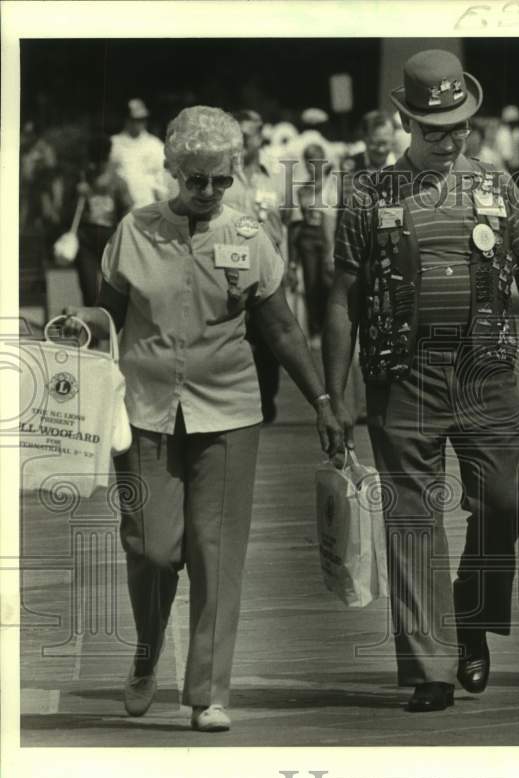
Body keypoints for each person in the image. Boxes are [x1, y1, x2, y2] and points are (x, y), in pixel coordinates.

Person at [64, 106, 337, 732]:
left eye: (220, 180)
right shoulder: (134, 232)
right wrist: (74, 333)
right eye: (196, 180)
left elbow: (285, 330)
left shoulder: (249, 235)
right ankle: (146, 650)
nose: (209, 192)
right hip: (144, 413)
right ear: (171, 171)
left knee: (217, 555)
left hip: (229, 412)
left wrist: (323, 400)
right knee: (152, 549)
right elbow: (107, 318)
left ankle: (209, 691)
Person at [323, 49, 519, 712]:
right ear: (406, 122)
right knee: (411, 518)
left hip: (486, 371)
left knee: (503, 505)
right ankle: (432, 666)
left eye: (459, 125)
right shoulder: (366, 194)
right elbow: (342, 296)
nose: (447, 139)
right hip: (401, 376)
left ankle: (471, 617)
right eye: (434, 128)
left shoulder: (495, 188)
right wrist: (334, 391)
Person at [224, 109, 289, 423]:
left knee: (270, 341)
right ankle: (237, 403)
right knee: (232, 338)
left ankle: (267, 399)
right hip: (228, 270)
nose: (243, 142)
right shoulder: (221, 175)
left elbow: (293, 222)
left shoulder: (277, 173)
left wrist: (292, 265)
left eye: (248, 136)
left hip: (270, 270)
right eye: (237, 136)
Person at [289, 142, 338, 343]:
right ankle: (315, 329)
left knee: (329, 283)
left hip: (328, 236)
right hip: (308, 238)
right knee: (311, 285)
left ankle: (332, 326)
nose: (313, 165)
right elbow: (296, 224)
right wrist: (293, 259)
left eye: (317, 160)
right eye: (309, 161)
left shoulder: (332, 185)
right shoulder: (302, 190)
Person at [75, 134, 133, 306]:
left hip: (109, 237)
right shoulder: (82, 178)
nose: (96, 165)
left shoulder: (117, 180)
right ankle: (92, 328)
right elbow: (64, 212)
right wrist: (77, 195)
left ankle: (109, 326)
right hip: (85, 238)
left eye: (99, 161)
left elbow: (129, 206)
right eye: (93, 160)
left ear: (107, 157)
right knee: (89, 289)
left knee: (113, 289)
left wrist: (120, 231)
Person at [110, 98, 168, 208]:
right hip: (120, 209)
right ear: (126, 119)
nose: (139, 123)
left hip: (148, 207)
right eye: (135, 119)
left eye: (142, 119)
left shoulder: (155, 145)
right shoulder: (114, 144)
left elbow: (162, 179)